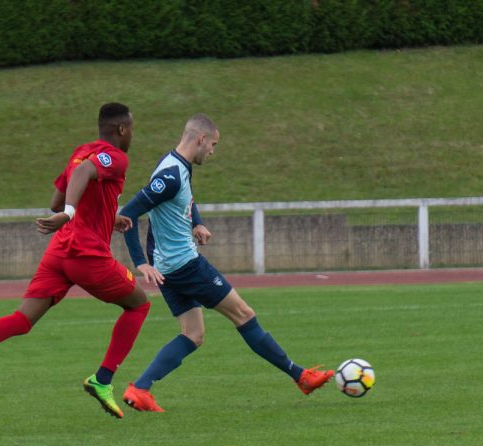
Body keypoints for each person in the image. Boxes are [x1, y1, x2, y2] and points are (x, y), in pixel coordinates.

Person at [0, 102, 151, 419]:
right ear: (121, 129)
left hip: (59, 250)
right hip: (86, 254)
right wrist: (71, 213)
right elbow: (83, 174)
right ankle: (102, 380)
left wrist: (105, 216)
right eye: (132, 128)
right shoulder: (116, 157)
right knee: (139, 305)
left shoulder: (81, 149)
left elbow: (56, 199)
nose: (132, 134)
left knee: (22, 320)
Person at [118, 113, 334, 413]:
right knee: (244, 314)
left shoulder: (175, 164)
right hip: (186, 266)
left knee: (193, 335)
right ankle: (301, 376)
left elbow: (185, 200)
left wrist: (197, 223)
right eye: (214, 145)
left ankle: (140, 388)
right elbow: (126, 215)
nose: (213, 152)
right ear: (201, 139)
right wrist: (140, 262)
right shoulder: (169, 176)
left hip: (169, 267)